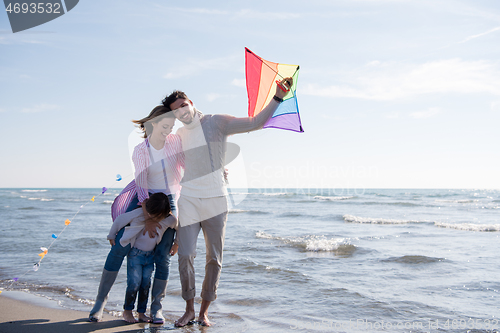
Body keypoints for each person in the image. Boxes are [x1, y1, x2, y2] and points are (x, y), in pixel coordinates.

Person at [162, 77, 293, 327]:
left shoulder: (217, 122)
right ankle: (189, 309)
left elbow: (255, 123)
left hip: (216, 201)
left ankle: (203, 312)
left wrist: (277, 96)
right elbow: (174, 164)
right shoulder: (179, 134)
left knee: (214, 258)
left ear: (190, 102)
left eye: (182, 105)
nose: (181, 112)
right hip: (189, 199)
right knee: (185, 255)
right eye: (175, 111)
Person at [89, 107, 184, 324]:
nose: (168, 131)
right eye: (164, 126)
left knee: (162, 255)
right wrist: (147, 216)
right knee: (120, 247)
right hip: (145, 197)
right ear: (152, 124)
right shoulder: (141, 150)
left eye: (171, 127)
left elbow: (187, 164)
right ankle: (100, 302)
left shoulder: (174, 142)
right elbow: (141, 183)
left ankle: (156, 309)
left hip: (168, 200)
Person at [107, 192, 177, 323]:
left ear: (165, 213)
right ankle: (127, 311)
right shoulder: (140, 213)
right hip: (135, 255)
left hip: (150, 257)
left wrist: (176, 243)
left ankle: (141, 313)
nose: (151, 218)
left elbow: (179, 227)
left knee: (145, 284)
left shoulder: (169, 220)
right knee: (134, 283)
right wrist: (111, 235)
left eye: (156, 216)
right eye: (151, 214)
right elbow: (120, 220)